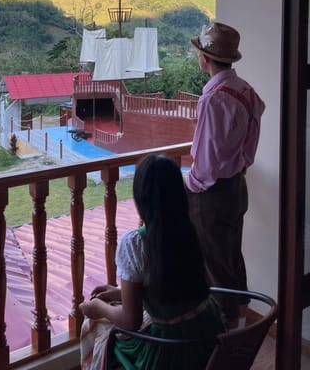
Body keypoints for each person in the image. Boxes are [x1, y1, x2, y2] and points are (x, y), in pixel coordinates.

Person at [79, 154, 224, 370]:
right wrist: (120, 292)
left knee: (96, 328)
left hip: (169, 349)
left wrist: (98, 307)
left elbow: (131, 321)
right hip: (209, 335)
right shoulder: (190, 229)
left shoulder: (135, 243)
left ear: (141, 198)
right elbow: (170, 284)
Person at [186, 21, 265, 327]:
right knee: (231, 257)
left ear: (205, 58)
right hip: (237, 187)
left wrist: (187, 185)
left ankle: (225, 336)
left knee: (213, 265)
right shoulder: (246, 92)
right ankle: (239, 325)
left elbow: (205, 164)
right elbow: (249, 142)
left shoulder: (212, 98)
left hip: (213, 193)